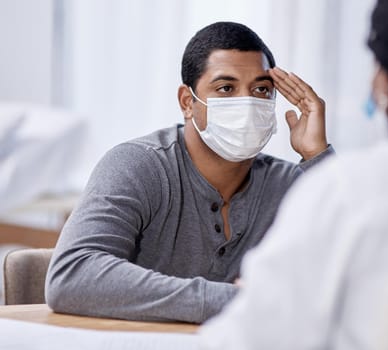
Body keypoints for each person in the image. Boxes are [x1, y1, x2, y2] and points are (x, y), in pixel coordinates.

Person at [198, 0, 388, 348]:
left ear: (384, 78)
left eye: (261, 89)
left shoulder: (353, 190)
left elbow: (249, 341)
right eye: (226, 88)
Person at [45, 21, 334, 323]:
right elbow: (72, 276)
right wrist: (236, 300)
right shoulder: (139, 166)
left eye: (261, 89)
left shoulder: (290, 184)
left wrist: (317, 156)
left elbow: (361, 270)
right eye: (226, 88)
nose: (247, 103)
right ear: (187, 102)